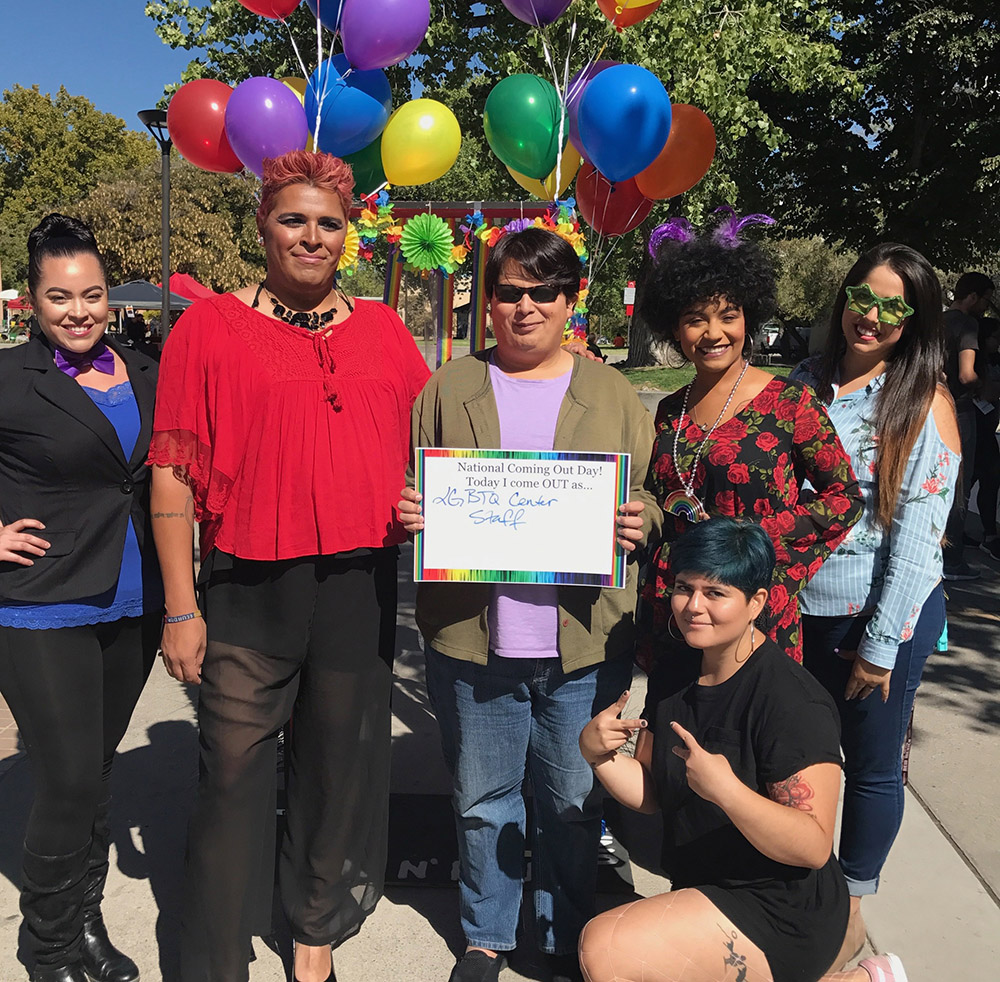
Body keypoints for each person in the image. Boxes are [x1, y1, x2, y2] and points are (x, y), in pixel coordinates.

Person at [148, 150, 431, 982]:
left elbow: (443, 437)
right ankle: (215, 957)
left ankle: (314, 935)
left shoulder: (382, 327)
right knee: (232, 771)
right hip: (247, 584)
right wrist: (178, 606)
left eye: (329, 223)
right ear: (264, 224)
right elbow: (171, 468)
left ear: (349, 233)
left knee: (337, 764)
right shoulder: (207, 327)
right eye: (293, 219)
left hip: (357, 582)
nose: (312, 236)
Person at [398, 226, 662, 982]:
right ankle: (487, 935)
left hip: (583, 644)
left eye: (542, 292)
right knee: (483, 801)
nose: (523, 307)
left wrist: (643, 518)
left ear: (568, 301)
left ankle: (567, 927)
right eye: (508, 292)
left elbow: (649, 490)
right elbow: (413, 486)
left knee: (574, 800)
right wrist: (412, 511)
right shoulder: (448, 388)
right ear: (487, 302)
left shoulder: (610, 393)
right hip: (473, 639)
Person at [578, 517, 910, 982]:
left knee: (608, 949)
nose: (693, 606)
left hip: (783, 907)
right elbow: (652, 791)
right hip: (707, 883)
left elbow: (813, 847)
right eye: (683, 587)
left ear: (756, 603)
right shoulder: (675, 671)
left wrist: (727, 792)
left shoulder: (793, 702)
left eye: (716, 593)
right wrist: (598, 756)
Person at [0, 214, 161, 982]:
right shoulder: (8, 377)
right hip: (41, 603)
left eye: (92, 294)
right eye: (60, 296)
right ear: (33, 300)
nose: (79, 311)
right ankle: (48, 944)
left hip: (133, 603)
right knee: (65, 777)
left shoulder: (144, 370)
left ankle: (86, 922)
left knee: (96, 771)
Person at [791, 242, 960, 967]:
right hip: (792, 615)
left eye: (896, 307)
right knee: (798, 757)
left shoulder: (924, 403)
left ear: (915, 321)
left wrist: (882, 645)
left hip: (875, 618)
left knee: (871, 769)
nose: (874, 316)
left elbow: (920, 541)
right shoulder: (802, 382)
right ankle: (797, 885)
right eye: (864, 296)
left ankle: (850, 912)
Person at [637, 216, 862, 670]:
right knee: (672, 730)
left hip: (754, 614)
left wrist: (756, 544)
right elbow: (658, 501)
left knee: (746, 736)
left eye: (728, 316)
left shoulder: (790, 403)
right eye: (694, 319)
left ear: (749, 318)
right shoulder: (669, 411)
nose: (713, 333)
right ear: (675, 330)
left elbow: (845, 500)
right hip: (678, 610)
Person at [940, 271, 995, 580]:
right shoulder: (968, 325)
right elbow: (966, 374)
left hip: (929, 403)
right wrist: (985, 387)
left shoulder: (939, 321)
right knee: (960, 481)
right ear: (973, 297)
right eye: (986, 299)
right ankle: (952, 558)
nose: (986, 307)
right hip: (959, 410)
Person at [972, 316, 1000, 559]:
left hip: (989, 426)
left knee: (990, 480)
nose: (997, 343)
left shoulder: (996, 359)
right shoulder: (975, 362)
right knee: (984, 477)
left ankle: (989, 533)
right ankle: (989, 535)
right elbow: (987, 391)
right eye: (995, 338)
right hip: (975, 426)